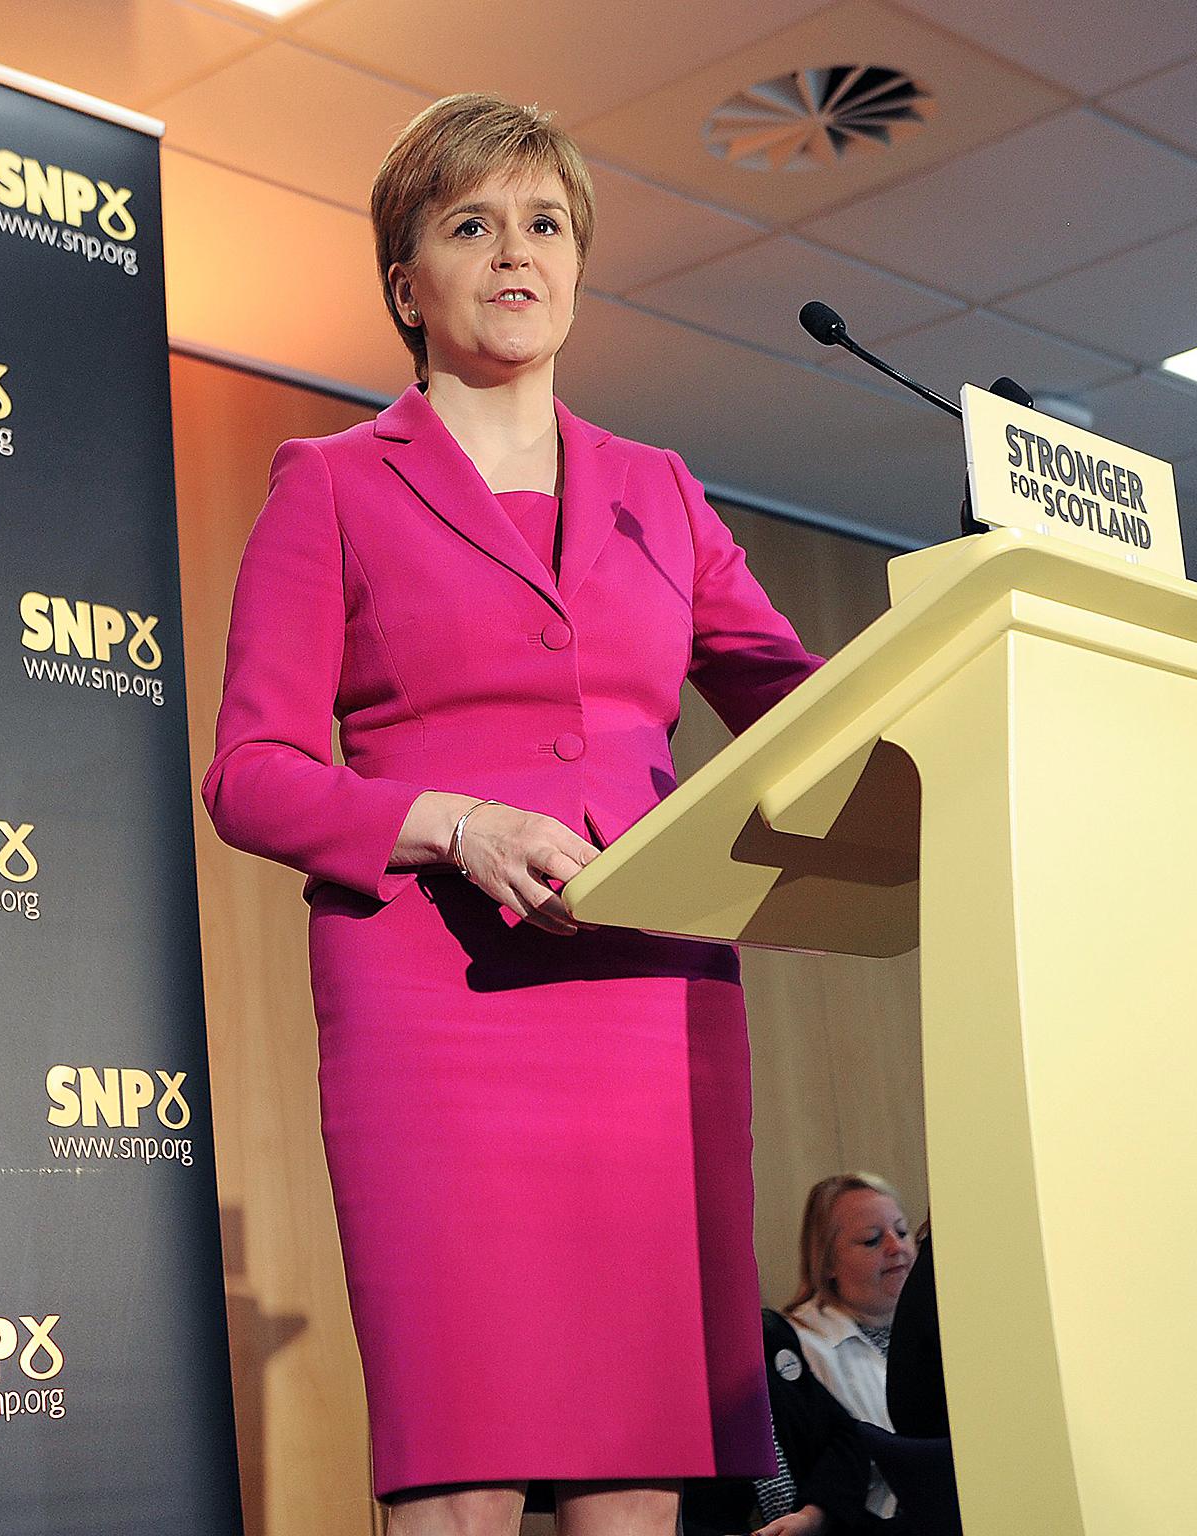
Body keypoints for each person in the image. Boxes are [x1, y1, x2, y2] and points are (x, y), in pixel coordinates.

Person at [202, 92, 824, 1535]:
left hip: (649, 1004)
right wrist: (451, 823)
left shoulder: (662, 492)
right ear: (404, 284)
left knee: (635, 1482)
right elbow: (252, 774)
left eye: (545, 223)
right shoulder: (334, 486)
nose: (515, 252)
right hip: (439, 1012)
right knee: (458, 1479)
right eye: (470, 223)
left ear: (581, 267)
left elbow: (799, 707)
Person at [682, 1310, 882, 1536]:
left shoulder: (767, 1332)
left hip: (822, 1522)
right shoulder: (652, 1368)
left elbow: (843, 1435)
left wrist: (814, 1514)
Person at [783, 1174, 918, 1432]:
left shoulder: (938, 1328)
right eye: (872, 1240)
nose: (896, 1247)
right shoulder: (804, 1348)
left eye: (901, 1231)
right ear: (828, 1262)